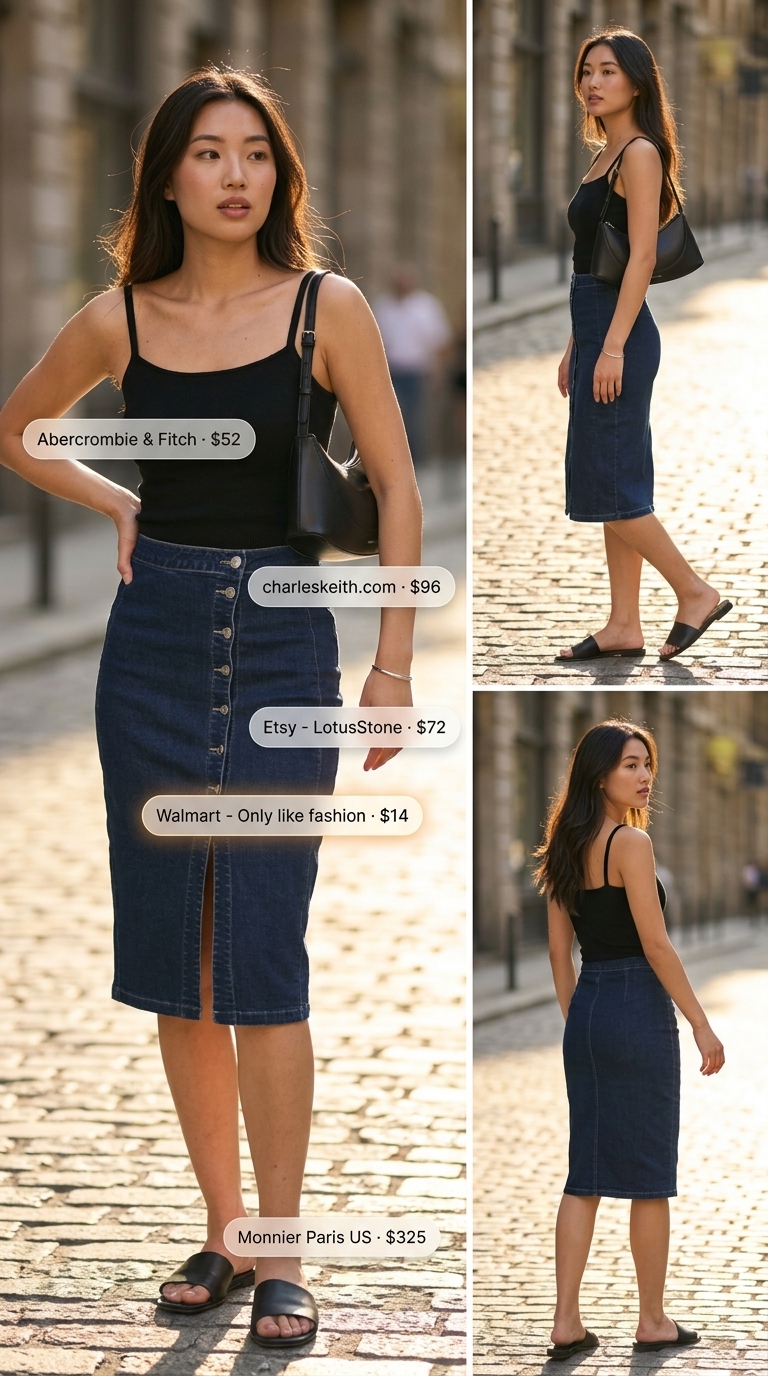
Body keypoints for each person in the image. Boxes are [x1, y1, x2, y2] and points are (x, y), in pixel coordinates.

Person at [0, 69, 422, 1351]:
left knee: (264, 962)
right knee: (181, 972)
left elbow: (397, 490)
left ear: (276, 177)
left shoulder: (324, 308)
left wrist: (392, 664)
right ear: (168, 177)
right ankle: (228, 1230)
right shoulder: (120, 317)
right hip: (154, 651)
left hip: (290, 647)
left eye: (255, 154)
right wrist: (117, 499)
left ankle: (288, 1250)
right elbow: (20, 429)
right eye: (207, 153)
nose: (234, 175)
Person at [534, 720, 724, 1359]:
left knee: (582, 1173)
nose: (645, 775)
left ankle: (566, 1320)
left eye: (648, 763)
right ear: (599, 774)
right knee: (648, 1176)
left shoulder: (562, 843)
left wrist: (578, 1022)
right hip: (639, 1007)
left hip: (589, 1009)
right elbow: (656, 943)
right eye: (631, 765)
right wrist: (699, 1022)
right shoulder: (630, 844)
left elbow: (560, 956)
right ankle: (651, 1321)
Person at [556, 28, 732, 662]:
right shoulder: (605, 153)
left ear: (636, 81)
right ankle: (623, 624)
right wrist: (579, 340)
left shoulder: (638, 152)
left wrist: (611, 348)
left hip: (621, 333)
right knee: (613, 478)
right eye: (586, 72)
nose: (593, 83)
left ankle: (694, 592)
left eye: (606, 71)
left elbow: (642, 258)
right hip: (598, 321)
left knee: (608, 483)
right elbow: (594, 258)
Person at [373, 264, 452, 466]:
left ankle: (414, 465)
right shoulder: (383, 307)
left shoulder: (426, 306)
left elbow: (440, 341)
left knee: (414, 421)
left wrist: (437, 371)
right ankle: (393, 464)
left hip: (417, 372)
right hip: (390, 373)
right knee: (391, 422)